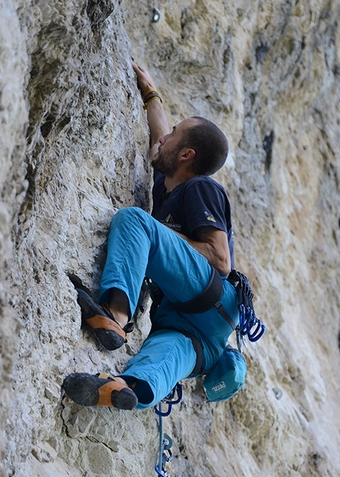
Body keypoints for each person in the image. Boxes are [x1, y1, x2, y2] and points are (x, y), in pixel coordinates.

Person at [62, 63, 240, 411]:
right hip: (203, 335)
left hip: (210, 297)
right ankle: (123, 389)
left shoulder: (200, 188)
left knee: (135, 222)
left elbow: (220, 259)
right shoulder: (170, 185)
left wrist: (159, 237)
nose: (163, 136)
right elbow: (160, 138)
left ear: (187, 155)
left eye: (174, 133)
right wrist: (150, 95)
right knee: (161, 361)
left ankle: (115, 315)